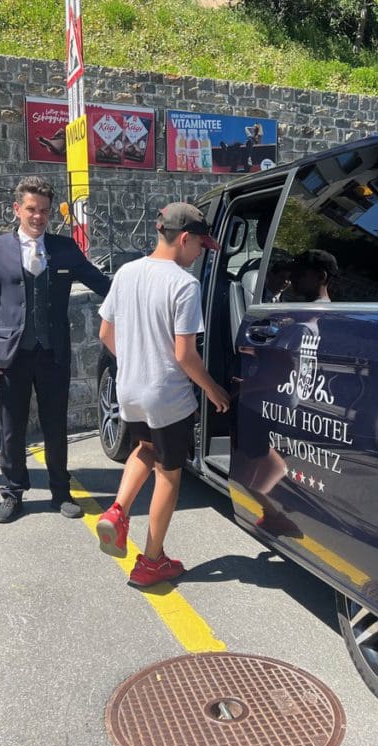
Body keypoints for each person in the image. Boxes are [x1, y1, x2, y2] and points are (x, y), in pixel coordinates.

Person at [95, 202, 231, 587]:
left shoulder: (126, 272)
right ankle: (151, 561)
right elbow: (185, 354)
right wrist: (213, 390)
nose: (201, 253)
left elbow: (105, 334)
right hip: (167, 395)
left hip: (131, 389)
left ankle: (118, 512)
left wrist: (137, 360)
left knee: (144, 447)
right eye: (201, 246)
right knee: (168, 475)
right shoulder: (184, 284)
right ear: (184, 239)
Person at [0, 175, 111, 524]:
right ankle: (13, 493)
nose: (38, 217)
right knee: (11, 426)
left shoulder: (64, 248)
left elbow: (102, 284)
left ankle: (60, 492)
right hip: (10, 354)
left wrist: (143, 284)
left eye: (45, 211)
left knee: (55, 425)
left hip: (53, 353)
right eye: (31, 209)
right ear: (18, 209)